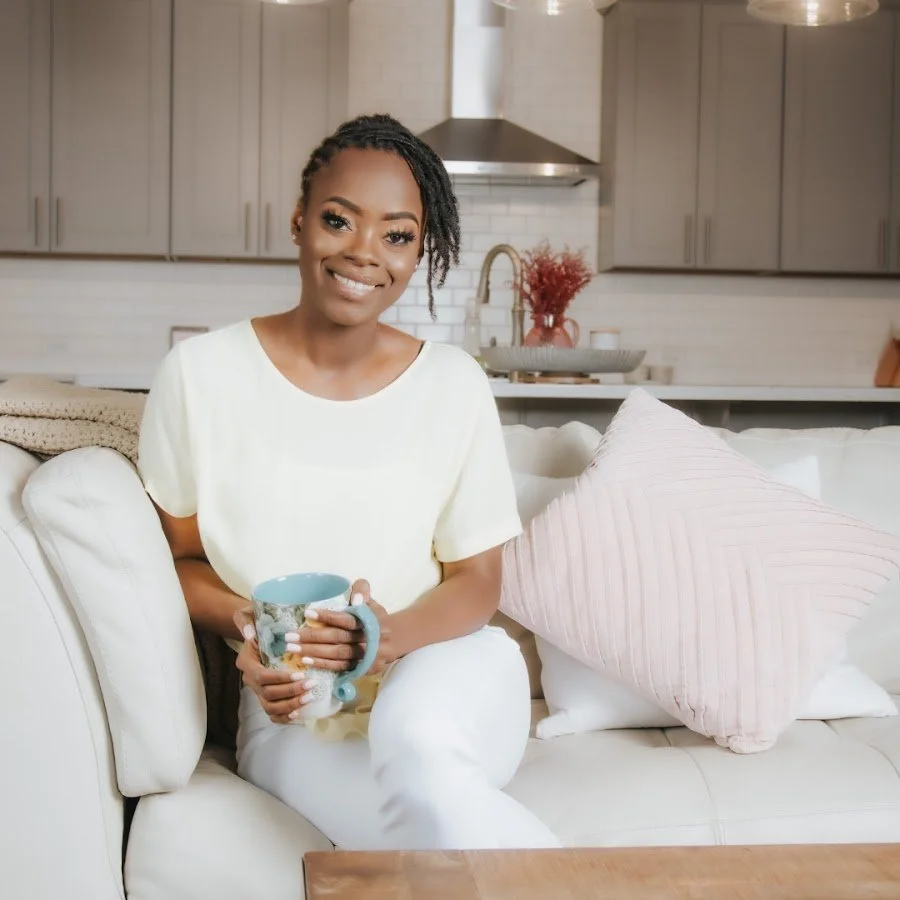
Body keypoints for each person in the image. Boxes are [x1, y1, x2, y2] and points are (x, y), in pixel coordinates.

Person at [138, 114, 560, 851]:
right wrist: (257, 637)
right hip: (295, 707)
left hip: (447, 670)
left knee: (418, 743)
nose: (366, 254)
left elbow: (479, 580)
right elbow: (174, 562)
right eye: (340, 220)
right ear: (300, 221)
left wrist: (381, 638)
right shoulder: (198, 377)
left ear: (419, 250)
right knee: (419, 830)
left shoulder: (454, 384)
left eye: (397, 235)